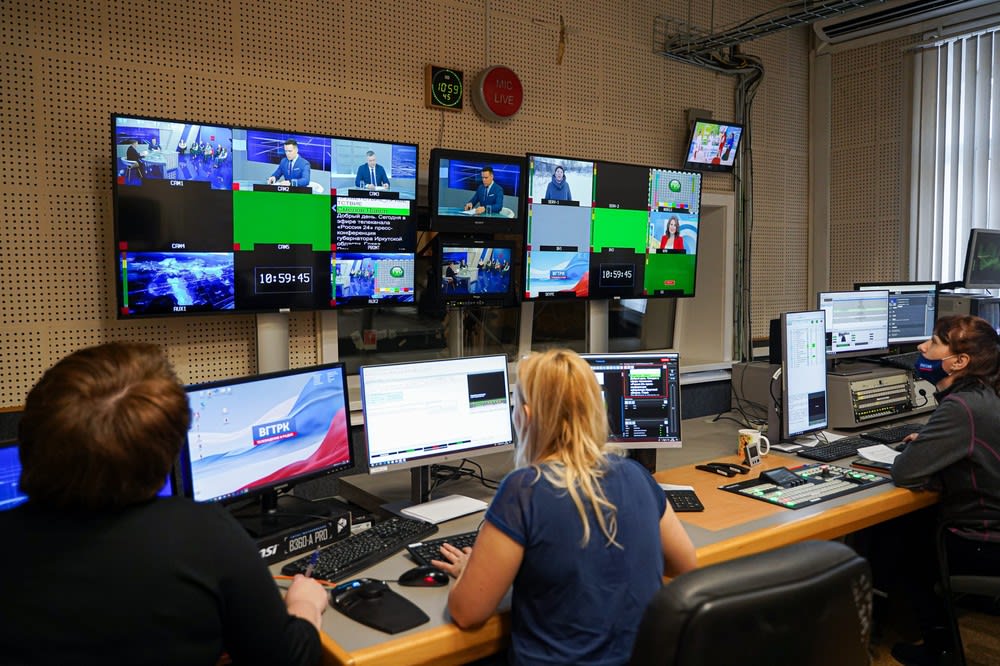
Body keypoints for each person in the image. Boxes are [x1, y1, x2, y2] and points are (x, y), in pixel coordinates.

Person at [0, 342, 329, 665]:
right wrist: (305, 604)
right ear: (167, 450)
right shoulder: (203, 535)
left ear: (31, 439)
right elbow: (289, 657)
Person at [432, 349, 697, 665]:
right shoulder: (637, 476)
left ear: (526, 416)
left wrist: (470, 572)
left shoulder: (524, 490)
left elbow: (467, 613)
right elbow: (685, 566)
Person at [866, 315, 1000, 665]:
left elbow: (905, 472)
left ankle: (938, 648)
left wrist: (923, 449)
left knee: (897, 531)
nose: (921, 347)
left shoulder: (960, 408)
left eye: (935, 343)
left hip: (983, 542)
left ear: (959, 362)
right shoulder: (983, 396)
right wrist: (931, 441)